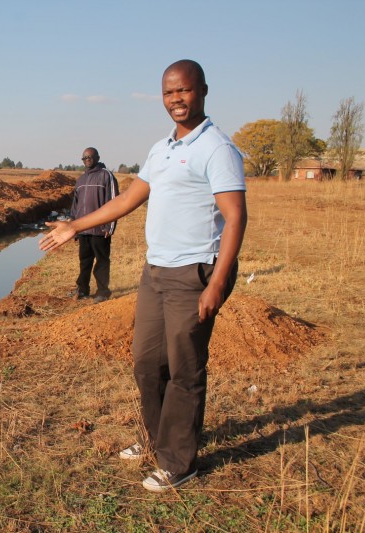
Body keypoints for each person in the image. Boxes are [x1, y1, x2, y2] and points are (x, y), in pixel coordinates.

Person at [40, 59, 247, 493]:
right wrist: (75, 225)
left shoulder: (218, 149)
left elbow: (235, 217)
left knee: (186, 369)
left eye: (184, 91)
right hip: (156, 271)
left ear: (203, 91)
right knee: (148, 362)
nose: (177, 99)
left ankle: (179, 461)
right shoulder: (161, 149)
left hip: (194, 272)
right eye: (169, 92)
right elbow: (129, 200)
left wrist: (217, 283)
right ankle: (157, 439)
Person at [69, 147, 119, 303]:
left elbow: (114, 202)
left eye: (90, 157)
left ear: (97, 157)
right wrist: (74, 227)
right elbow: (75, 206)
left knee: (102, 261)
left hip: (100, 229)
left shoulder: (106, 176)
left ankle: (103, 292)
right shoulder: (81, 179)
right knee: (85, 261)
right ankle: (82, 289)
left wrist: (109, 226)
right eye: (84, 158)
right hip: (84, 229)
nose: (87, 159)